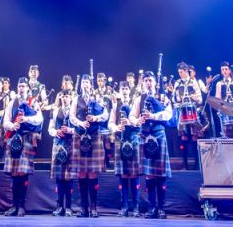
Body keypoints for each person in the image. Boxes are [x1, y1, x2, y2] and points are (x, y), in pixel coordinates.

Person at [129, 71, 171, 219]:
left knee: (160, 173)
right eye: (146, 80)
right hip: (145, 136)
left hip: (159, 134)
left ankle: (161, 208)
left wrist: (153, 116)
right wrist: (137, 121)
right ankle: (152, 207)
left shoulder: (162, 97)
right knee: (149, 174)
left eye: (150, 80)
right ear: (143, 82)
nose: (148, 82)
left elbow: (168, 114)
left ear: (155, 82)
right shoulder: (139, 99)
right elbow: (131, 117)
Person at [1, 77, 43, 217]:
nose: (21, 88)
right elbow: (5, 121)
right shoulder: (12, 102)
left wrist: (26, 119)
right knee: (14, 172)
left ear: (28, 88)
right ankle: (14, 205)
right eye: (19, 86)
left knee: (22, 172)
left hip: (26, 138)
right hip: (14, 138)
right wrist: (12, 125)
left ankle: (21, 206)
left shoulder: (33, 102)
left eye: (24, 86)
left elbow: (39, 119)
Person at [71, 74, 109, 217]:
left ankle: (93, 207)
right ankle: (83, 208)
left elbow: (105, 114)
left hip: (94, 136)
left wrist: (95, 118)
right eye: (83, 82)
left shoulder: (97, 98)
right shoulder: (76, 99)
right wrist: (81, 123)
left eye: (87, 82)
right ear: (81, 85)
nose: (85, 85)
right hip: (80, 136)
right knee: (81, 172)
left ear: (90, 85)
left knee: (92, 171)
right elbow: (72, 116)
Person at [109, 82, 142, 217]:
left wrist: (132, 123)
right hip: (120, 139)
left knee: (133, 173)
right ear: (119, 90)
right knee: (123, 174)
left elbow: (140, 120)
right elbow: (110, 122)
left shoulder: (136, 102)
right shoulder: (116, 105)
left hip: (133, 138)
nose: (124, 90)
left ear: (130, 90)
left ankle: (136, 207)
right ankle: (124, 206)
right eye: (122, 88)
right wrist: (116, 128)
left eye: (126, 88)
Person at [48, 79, 77, 217]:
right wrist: (56, 132)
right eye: (63, 96)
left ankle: (69, 207)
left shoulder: (75, 111)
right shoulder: (55, 111)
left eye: (67, 96)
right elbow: (50, 128)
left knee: (69, 178)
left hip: (71, 144)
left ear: (71, 98)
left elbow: (79, 128)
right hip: (58, 144)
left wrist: (70, 130)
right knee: (59, 178)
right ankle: (59, 206)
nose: (65, 99)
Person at [172, 63, 203, 169]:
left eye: (181, 72)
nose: (180, 74)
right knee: (183, 138)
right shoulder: (177, 83)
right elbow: (173, 98)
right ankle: (184, 164)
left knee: (194, 137)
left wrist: (192, 97)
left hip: (192, 112)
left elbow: (200, 99)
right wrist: (177, 99)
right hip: (183, 113)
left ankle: (197, 164)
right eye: (179, 72)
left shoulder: (193, 82)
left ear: (186, 71)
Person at [212, 62, 233, 139]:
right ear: (221, 72)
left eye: (226, 69)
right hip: (225, 114)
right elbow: (217, 100)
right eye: (222, 70)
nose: (224, 71)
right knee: (227, 136)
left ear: (230, 71)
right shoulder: (219, 84)